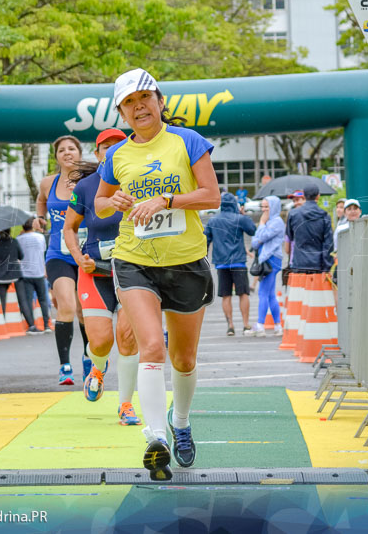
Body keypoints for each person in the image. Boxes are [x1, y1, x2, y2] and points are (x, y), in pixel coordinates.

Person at [95, 68, 220, 481]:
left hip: (185, 261)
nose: (139, 107)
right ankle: (155, 438)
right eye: (130, 103)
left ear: (160, 101)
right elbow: (98, 205)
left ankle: (179, 422)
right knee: (150, 346)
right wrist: (113, 200)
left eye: (145, 98)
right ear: (122, 113)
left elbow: (211, 196)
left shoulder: (187, 141)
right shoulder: (117, 155)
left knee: (183, 358)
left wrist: (166, 198)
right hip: (134, 260)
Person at [64, 128, 141, 426]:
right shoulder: (86, 187)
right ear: (96, 154)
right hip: (94, 271)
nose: (110, 151)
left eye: (117, 145)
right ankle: (97, 368)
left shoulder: (142, 181)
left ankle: (125, 405)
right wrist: (77, 257)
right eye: (104, 147)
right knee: (100, 342)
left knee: (128, 339)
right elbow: (69, 228)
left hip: (132, 269)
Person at [37, 135, 90, 385]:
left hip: (87, 253)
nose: (67, 153)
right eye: (61, 150)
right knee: (66, 305)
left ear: (79, 153)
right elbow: (41, 200)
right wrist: (40, 217)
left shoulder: (93, 180)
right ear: (56, 156)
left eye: (72, 149)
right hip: (58, 254)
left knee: (84, 310)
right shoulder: (48, 183)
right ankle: (65, 365)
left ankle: (90, 358)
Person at [204, 192, 257, 337]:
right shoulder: (239, 219)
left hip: (221, 263)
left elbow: (206, 240)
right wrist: (243, 214)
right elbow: (252, 230)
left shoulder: (213, 221)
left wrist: (205, 259)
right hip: (238, 261)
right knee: (243, 293)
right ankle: (246, 325)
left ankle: (230, 325)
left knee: (225, 295)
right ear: (234, 204)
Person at [250, 196, 285, 337]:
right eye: (262, 207)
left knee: (263, 293)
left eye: (267, 207)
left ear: (274, 207)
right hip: (270, 259)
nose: (264, 210)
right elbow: (254, 243)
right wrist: (262, 229)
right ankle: (277, 326)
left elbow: (261, 238)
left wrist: (262, 223)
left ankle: (260, 325)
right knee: (270, 294)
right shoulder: (272, 221)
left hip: (270, 259)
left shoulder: (276, 222)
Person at [287, 182, 334, 274]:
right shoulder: (324, 216)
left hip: (298, 262)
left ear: (304, 195)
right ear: (318, 196)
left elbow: (290, 236)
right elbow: (328, 243)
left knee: (299, 288)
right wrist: (327, 267)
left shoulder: (293, 214)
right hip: (318, 264)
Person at [17, 217, 51, 333]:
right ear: (32, 226)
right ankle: (46, 325)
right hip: (39, 271)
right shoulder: (40, 237)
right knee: (43, 300)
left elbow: (18, 256)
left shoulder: (19, 239)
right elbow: (42, 252)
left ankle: (31, 325)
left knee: (28, 300)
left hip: (25, 273)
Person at [0, 228, 24, 317]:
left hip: (0, 276)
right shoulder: (14, 242)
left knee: (2, 300)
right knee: (22, 299)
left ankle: (3, 318)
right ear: (10, 231)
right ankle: (27, 321)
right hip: (14, 274)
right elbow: (21, 256)